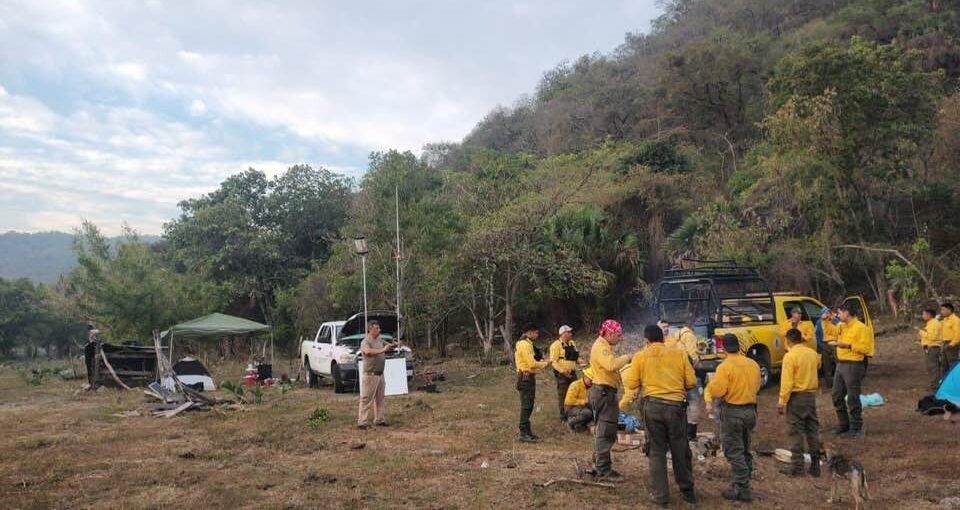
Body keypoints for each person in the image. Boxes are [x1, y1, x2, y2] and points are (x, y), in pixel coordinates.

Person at [621, 325, 697, 507]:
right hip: (676, 407)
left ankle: (661, 495)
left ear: (646, 340)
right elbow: (692, 381)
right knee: (680, 447)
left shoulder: (641, 356)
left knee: (656, 451)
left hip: (653, 407)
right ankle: (687, 490)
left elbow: (631, 383)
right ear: (663, 338)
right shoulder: (679, 354)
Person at [705, 334, 761, 503]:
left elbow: (718, 391)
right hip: (750, 411)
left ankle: (742, 489)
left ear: (723, 348)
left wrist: (709, 391)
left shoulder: (725, 366)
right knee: (744, 447)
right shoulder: (753, 364)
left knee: (733, 451)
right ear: (739, 347)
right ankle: (744, 480)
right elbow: (757, 386)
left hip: (733, 412)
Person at [588, 319, 631, 482]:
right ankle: (603, 470)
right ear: (610, 333)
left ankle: (597, 463)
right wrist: (628, 357)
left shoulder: (605, 346)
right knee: (606, 432)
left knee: (602, 431)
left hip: (605, 392)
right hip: (604, 393)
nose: (620, 338)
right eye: (618, 335)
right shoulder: (601, 347)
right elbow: (611, 365)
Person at [778, 328, 822, 477]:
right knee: (812, 430)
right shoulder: (812, 353)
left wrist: (782, 401)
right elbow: (818, 366)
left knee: (795, 431)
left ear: (788, 341)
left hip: (796, 397)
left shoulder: (790, 357)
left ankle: (798, 466)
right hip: (810, 396)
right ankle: (815, 465)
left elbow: (787, 382)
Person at [832, 304, 873, 438]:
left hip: (854, 364)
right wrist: (826, 320)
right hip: (841, 363)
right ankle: (844, 424)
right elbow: (830, 333)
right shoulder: (841, 326)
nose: (838, 316)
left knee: (853, 396)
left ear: (847, 313)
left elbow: (866, 349)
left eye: (840, 313)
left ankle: (856, 427)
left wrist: (848, 346)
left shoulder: (862, 328)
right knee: (837, 395)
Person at [357, 321, 396, 430]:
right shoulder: (365, 341)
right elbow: (368, 351)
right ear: (370, 329)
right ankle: (362, 421)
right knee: (366, 398)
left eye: (379, 328)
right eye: (377, 328)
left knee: (380, 398)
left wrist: (393, 345)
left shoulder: (379, 339)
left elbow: (387, 346)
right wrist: (383, 349)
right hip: (370, 374)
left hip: (380, 374)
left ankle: (380, 419)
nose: (379, 330)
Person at [515, 323, 550, 443]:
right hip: (525, 378)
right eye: (535, 332)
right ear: (528, 332)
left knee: (529, 404)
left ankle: (527, 431)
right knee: (526, 405)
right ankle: (523, 433)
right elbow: (531, 363)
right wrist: (545, 363)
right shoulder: (524, 345)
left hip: (529, 377)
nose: (537, 334)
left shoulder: (528, 344)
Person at [669, 322, 703, 440]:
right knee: (693, 402)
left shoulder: (673, 336)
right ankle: (691, 433)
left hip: (675, 374)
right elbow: (693, 356)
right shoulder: (690, 336)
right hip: (688, 373)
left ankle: (678, 432)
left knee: (678, 401)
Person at [549, 325, 579, 422]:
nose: (571, 334)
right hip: (562, 374)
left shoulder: (572, 343)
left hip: (573, 373)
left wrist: (581, 362)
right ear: (563, 334)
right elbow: (553, 361)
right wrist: (563, 371)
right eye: (569, 332)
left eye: (571, 332)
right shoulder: (555, 345)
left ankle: (574, 413)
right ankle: (564, 416)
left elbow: (575, 357)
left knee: (574, 392)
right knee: (563, 394)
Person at [917, 308, 944, 391]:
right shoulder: (930, 323)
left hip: (933, 348)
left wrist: (920, 331)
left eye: (924, 314)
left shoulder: (934, 323)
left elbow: (932, 337)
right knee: (932, 367)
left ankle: (936, 386)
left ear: (929, 315)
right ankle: (935, 384)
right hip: (930, 348)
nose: (923, 316)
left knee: (933, 367)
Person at [564, 366, 594, 432]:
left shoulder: (588, 387)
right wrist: (583, 401)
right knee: (587, 413)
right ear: (585, 377)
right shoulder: (575, 385)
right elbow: (569, 401)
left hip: (580, 407)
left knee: (594, 409)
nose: (592, 382)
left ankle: (581, 425)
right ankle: (570, 422)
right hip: (570, 408)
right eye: (590, 380)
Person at [817, 307, 840, 388]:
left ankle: (840, 382)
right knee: (827, 365)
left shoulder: (835, 320)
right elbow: (817, 335)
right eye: (824, 313)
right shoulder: (819, 322)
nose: (826, 314)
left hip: (834, 343)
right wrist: (820, 345)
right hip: (824, 344)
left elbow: (840, 329)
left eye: (827, 312)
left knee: (838, 363)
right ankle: (829, 384)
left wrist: (833, 319)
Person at [941, 303, 960, 371]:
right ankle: (945, 380)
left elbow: (958, 333)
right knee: (944, 364)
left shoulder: (955, 320)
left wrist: (952, 344)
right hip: (945, 343)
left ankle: (955, 380)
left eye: (943, 309)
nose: (941, 311)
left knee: (952, 364)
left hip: (951, 344)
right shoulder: (945, 320)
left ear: (949, 310)